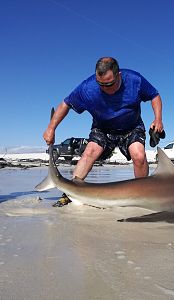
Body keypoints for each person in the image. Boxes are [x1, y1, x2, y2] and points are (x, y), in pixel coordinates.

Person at [43, 57, 164, 206]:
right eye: (101, 85)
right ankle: (69, 192)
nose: (105, 89)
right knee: (90, 152)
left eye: (109, 84)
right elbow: (66, 104)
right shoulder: (87, 88)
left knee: (138, 155)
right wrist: (51, 128)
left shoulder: (135, 80)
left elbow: (154, 95)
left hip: (132, 126)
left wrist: (158, 118)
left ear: (119, 75)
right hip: (102, 128)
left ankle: (141, 193)